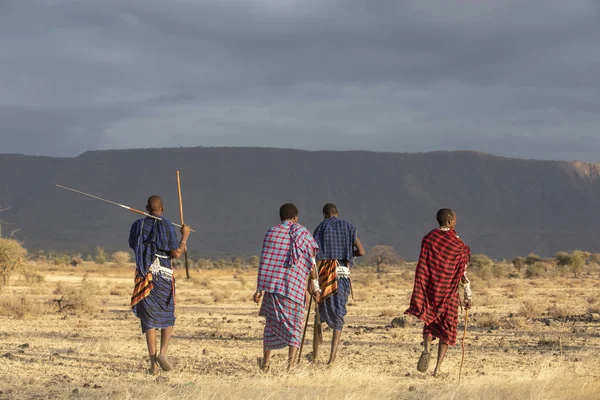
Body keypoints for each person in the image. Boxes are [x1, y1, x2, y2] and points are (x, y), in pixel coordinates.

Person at [253, 203, 320, 372]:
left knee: (271, 325)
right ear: (295, 218)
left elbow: (265, 261)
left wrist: (259, 289)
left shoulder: (271, 233)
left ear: (280, 217)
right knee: (295, 326)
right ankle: (290, 366)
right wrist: (315, 287)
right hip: (295, 288)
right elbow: (311, 263)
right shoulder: (303, 234)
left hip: (273, 288)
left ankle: (266, 363)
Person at [405, 208, 471, 377]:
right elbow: (462, 272)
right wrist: (467, 294)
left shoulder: (428, 239)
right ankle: (438, 369)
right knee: (447, 328)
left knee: (430, 321)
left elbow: (425, 265)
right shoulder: (458, 244)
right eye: (455, 219)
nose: (456, 222)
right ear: (449, 221)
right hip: (449, 293)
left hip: (431, 290)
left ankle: (427, 349)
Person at [129, 195, 190, 375]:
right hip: (163, 277)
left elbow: (135, 245)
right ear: (162, 209)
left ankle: (153, 364)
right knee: (167, 314)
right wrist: (185, 236)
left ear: (146, 208)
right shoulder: (166, 225)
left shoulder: (137, 226)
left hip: (145, 276)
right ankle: (163, 353)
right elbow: (177, 253)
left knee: (149, 320)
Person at [311, 203, 365, 365]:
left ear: (324, 215)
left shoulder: (320, 228)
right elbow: (361, 252)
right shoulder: (349, 227)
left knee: (319, 314)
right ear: (337, 213)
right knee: (339, 315)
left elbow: (315, 254)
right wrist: (348, 254)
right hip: (342, 274)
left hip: (324, 276)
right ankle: (331, 358)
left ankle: (315, 355)